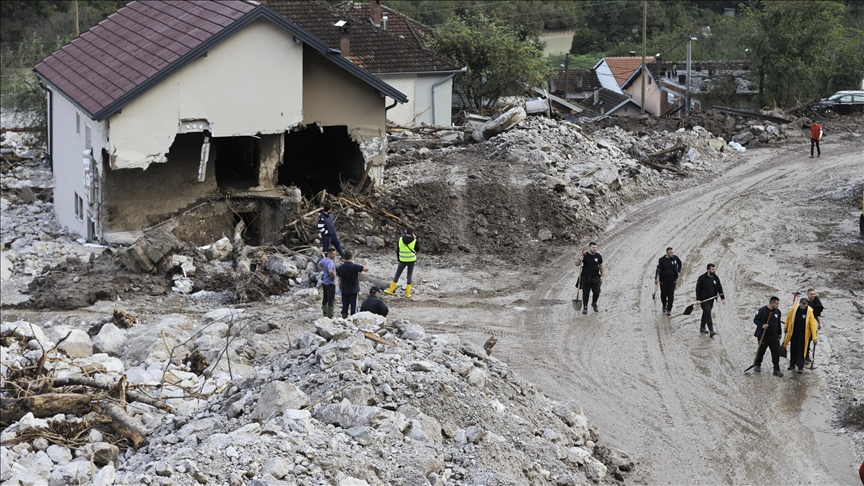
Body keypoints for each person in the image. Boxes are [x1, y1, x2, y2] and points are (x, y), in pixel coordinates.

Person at [783, 297, 819, 374]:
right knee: (793, 347)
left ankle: (800, 366)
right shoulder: (794, 308)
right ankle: (792, 364)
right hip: (793, 331)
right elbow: (788, 317)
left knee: (801, 349)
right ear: (799, 304)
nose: (803, 307)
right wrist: (786, 327)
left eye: (804, 306)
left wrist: (814, 337)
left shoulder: (809, 312)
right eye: (802, 306)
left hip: (803, 333)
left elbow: (813, 325)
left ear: (807, 304)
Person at [753, 296, 784, 376]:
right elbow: (755, 320)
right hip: (764, 336)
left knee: (776, 353)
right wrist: (762, 325)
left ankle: (776, 369)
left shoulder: (778, 312)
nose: (778, 305)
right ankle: (757, 365)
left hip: (774, 336)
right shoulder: (762, 311)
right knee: (761, 351)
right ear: (772, 303)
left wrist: (780, 333)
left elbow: (778, 323)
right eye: (776, 304)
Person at [384, 227, 418, 299]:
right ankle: (408, 294)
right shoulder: (414, 241)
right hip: (411, 260)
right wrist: (415, 239)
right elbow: (418, 249)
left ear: (406, 232)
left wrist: (398, 259)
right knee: (409, 275)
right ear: (412, 233)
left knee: (397, 274)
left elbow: (398, 250)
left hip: (402, 260)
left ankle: (391, 290)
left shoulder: (400, 239)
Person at [695, 263, 725, 337]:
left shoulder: (715, 278)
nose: (714, 271)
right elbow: (697, 289)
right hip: (704, 300)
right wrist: (698, 299)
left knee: (706, 313)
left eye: (714, 269)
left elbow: (719, 287)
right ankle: (711, 330)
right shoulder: (701, 278)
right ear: (708, 270)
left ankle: (702, 327)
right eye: (712, 269)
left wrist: (722, 298)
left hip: (711, 299)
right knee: (708, 313)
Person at [336, 250, 368, 319]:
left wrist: (340, 288)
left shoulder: (340, 267)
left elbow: (339, 279)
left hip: (344, 289)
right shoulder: (354, 266)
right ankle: (353, 320)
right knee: (354, 307)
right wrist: (366, 262)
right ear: (352, 257)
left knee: (345, 306)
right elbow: (367, 269)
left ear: (344, 257)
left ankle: (344, 319)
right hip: (353, 290)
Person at [576, 242, 605, 314]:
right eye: (593, 247)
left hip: (595, 277)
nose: (595, 249)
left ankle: (594, 303)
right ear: (590, 247)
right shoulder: (584, 255)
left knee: (597, 291)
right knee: (586, 293)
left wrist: (602, 276)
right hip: (585, 277)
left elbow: (601, 266)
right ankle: (585, 307)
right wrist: (580, 259)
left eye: (596, 247)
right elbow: (576, 264)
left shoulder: (598, 256)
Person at [655, 247, 682, 316]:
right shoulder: (661, 260)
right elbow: (658, 269)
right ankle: (664, 304)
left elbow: (680, 263)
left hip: (672, 280)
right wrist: (656, 278)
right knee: (663, 294)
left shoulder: (675, 258)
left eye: (673, 252)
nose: (672, 254)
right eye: (671, 252)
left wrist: (678, 271)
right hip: (663, 281)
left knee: (671, 295)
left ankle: (669, 309)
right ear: (667, 253)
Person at [804, 288, 824, 364]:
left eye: (814, 294)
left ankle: (807, 356)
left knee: (809, 341)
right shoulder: (805, 303)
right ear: (807, 294)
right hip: (804, 325)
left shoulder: (816, 302)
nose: (812, 296)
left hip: (812, 325)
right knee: (804, 342)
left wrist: (819, 323)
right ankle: (803, 357)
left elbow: (816, 314)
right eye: (811, 294)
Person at [317, 247, 337, 318]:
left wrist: (323, 270)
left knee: (325, 297)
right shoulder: (330, 262)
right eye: (333, 254)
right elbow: (330, 270)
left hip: (324, 281)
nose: (335, 255)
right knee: (331, 299)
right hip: (330, 283)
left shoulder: (324, 260)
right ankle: (330, 315)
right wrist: (333, 276)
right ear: (329, 254)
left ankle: (324, 312)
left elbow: (319, 264)